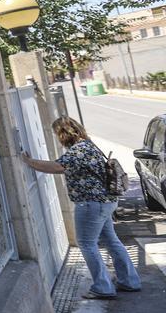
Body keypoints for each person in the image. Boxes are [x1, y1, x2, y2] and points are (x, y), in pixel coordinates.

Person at [21, 116, 141, 299]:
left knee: (86, 243)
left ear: (63, 134)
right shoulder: (90, 145)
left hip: (91, 205)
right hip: (107, 202)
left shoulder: (77, 151)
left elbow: (57, 167)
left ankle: (103, 287)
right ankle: (129, 281)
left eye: (57, 134)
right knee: (111, 240)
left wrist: (30, 163)